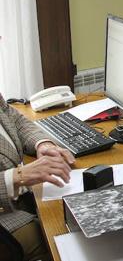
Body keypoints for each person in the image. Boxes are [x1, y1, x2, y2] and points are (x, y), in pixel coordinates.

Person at [0, 92, 74, 261]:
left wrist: (42, 143)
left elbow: (15, 119)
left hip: (20, 198)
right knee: (63, 232)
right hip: (4, 220)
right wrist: (17, 176)